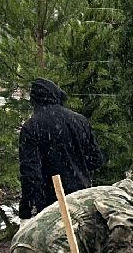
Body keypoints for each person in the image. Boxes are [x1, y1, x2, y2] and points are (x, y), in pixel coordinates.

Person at [18, 78, 105, 219]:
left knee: (56, 240)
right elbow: (96, 160)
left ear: (34, 100)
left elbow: (30, 174)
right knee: (80, 239)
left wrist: (25, 211)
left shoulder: (32, 127)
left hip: (51, 205)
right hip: (82, 197)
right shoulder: (80, 120)